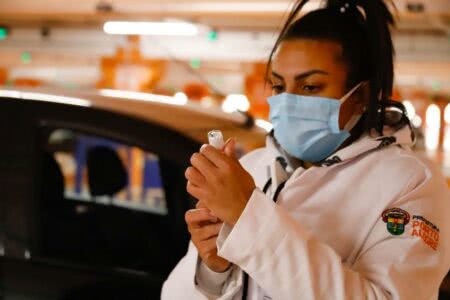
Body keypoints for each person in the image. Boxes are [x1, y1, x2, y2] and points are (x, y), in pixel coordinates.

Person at [161, 0, 450, 299]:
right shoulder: (253, 167)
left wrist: (249, 217)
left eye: (310, 87)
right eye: (277, 86)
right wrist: (214, 272)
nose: (287, 102)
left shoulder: (411, 183)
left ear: (361, 95)